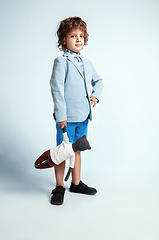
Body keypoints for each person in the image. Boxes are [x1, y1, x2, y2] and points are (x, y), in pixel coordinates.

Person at [50, 16, 103, 205]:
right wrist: (60, 116)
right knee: (61, 152)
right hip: (67, 118)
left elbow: (99, 81)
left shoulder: (87, 63)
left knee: (77, 150)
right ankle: (58, 187)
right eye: (73, 36)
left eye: (81, 35)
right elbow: (56, 89)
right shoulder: (61, 61)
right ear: (64, 40)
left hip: (83, 117)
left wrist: (95, 95)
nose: (78, 39)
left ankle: (76, 183)